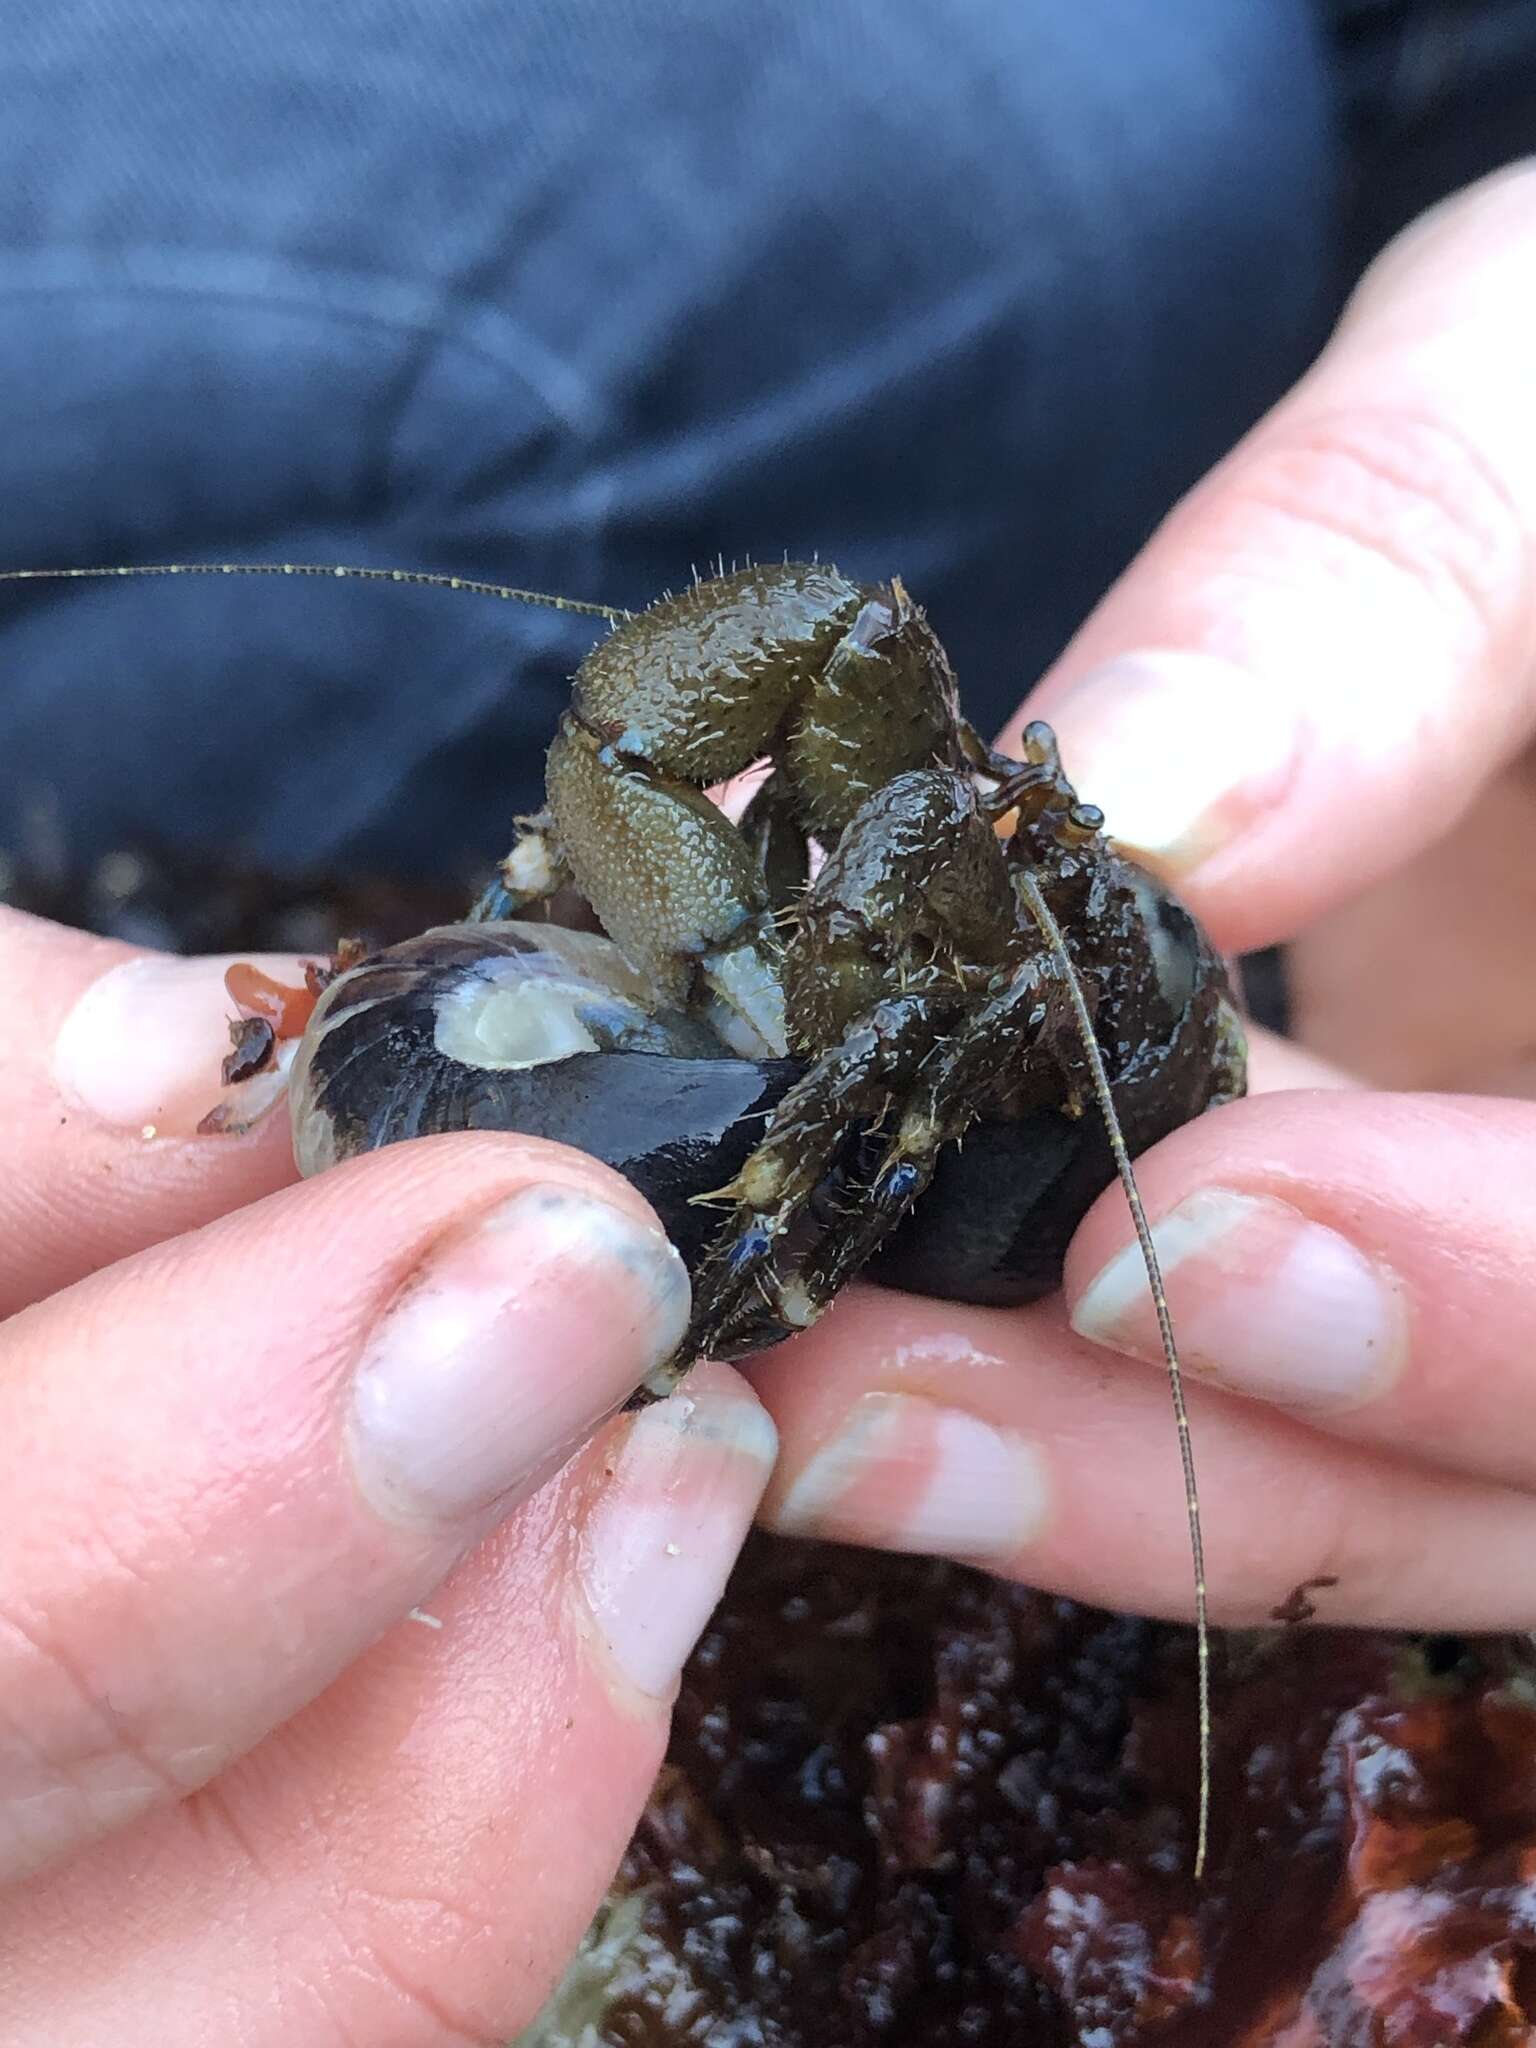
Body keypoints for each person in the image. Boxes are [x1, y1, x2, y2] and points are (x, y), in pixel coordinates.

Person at [2, 9, 1535, 2041]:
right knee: (1068, 161)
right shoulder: (931, 831)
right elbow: (818, 668)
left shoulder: (1023, 1011)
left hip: (965, 1159)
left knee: (1057, 168)